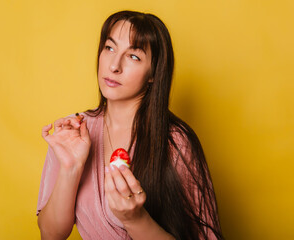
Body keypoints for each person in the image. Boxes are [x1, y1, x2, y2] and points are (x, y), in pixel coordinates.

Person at [37, 10, 224, 240]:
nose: (114, 66)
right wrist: (70, 168)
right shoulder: (74, 132)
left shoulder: (175, 141)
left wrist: (135, 218)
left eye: (133, 56)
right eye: (109, 48)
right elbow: (51, 235)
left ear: (153, 74)